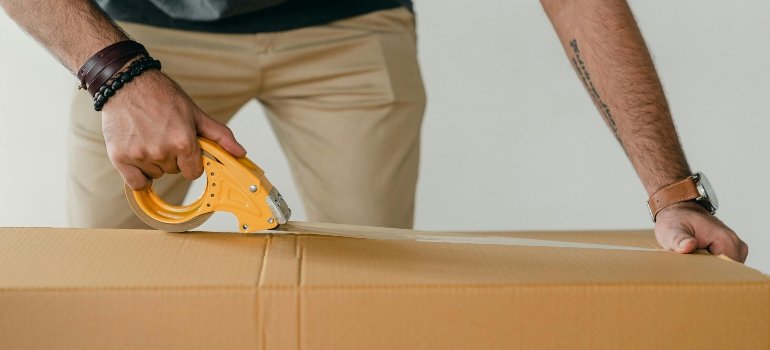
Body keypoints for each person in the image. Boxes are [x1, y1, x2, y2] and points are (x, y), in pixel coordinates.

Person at [0, 0, 748, 262]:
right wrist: (116, 74)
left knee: (365, 286)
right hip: (138, 31)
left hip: (349, 28)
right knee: (108, 281)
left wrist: (672, 193)